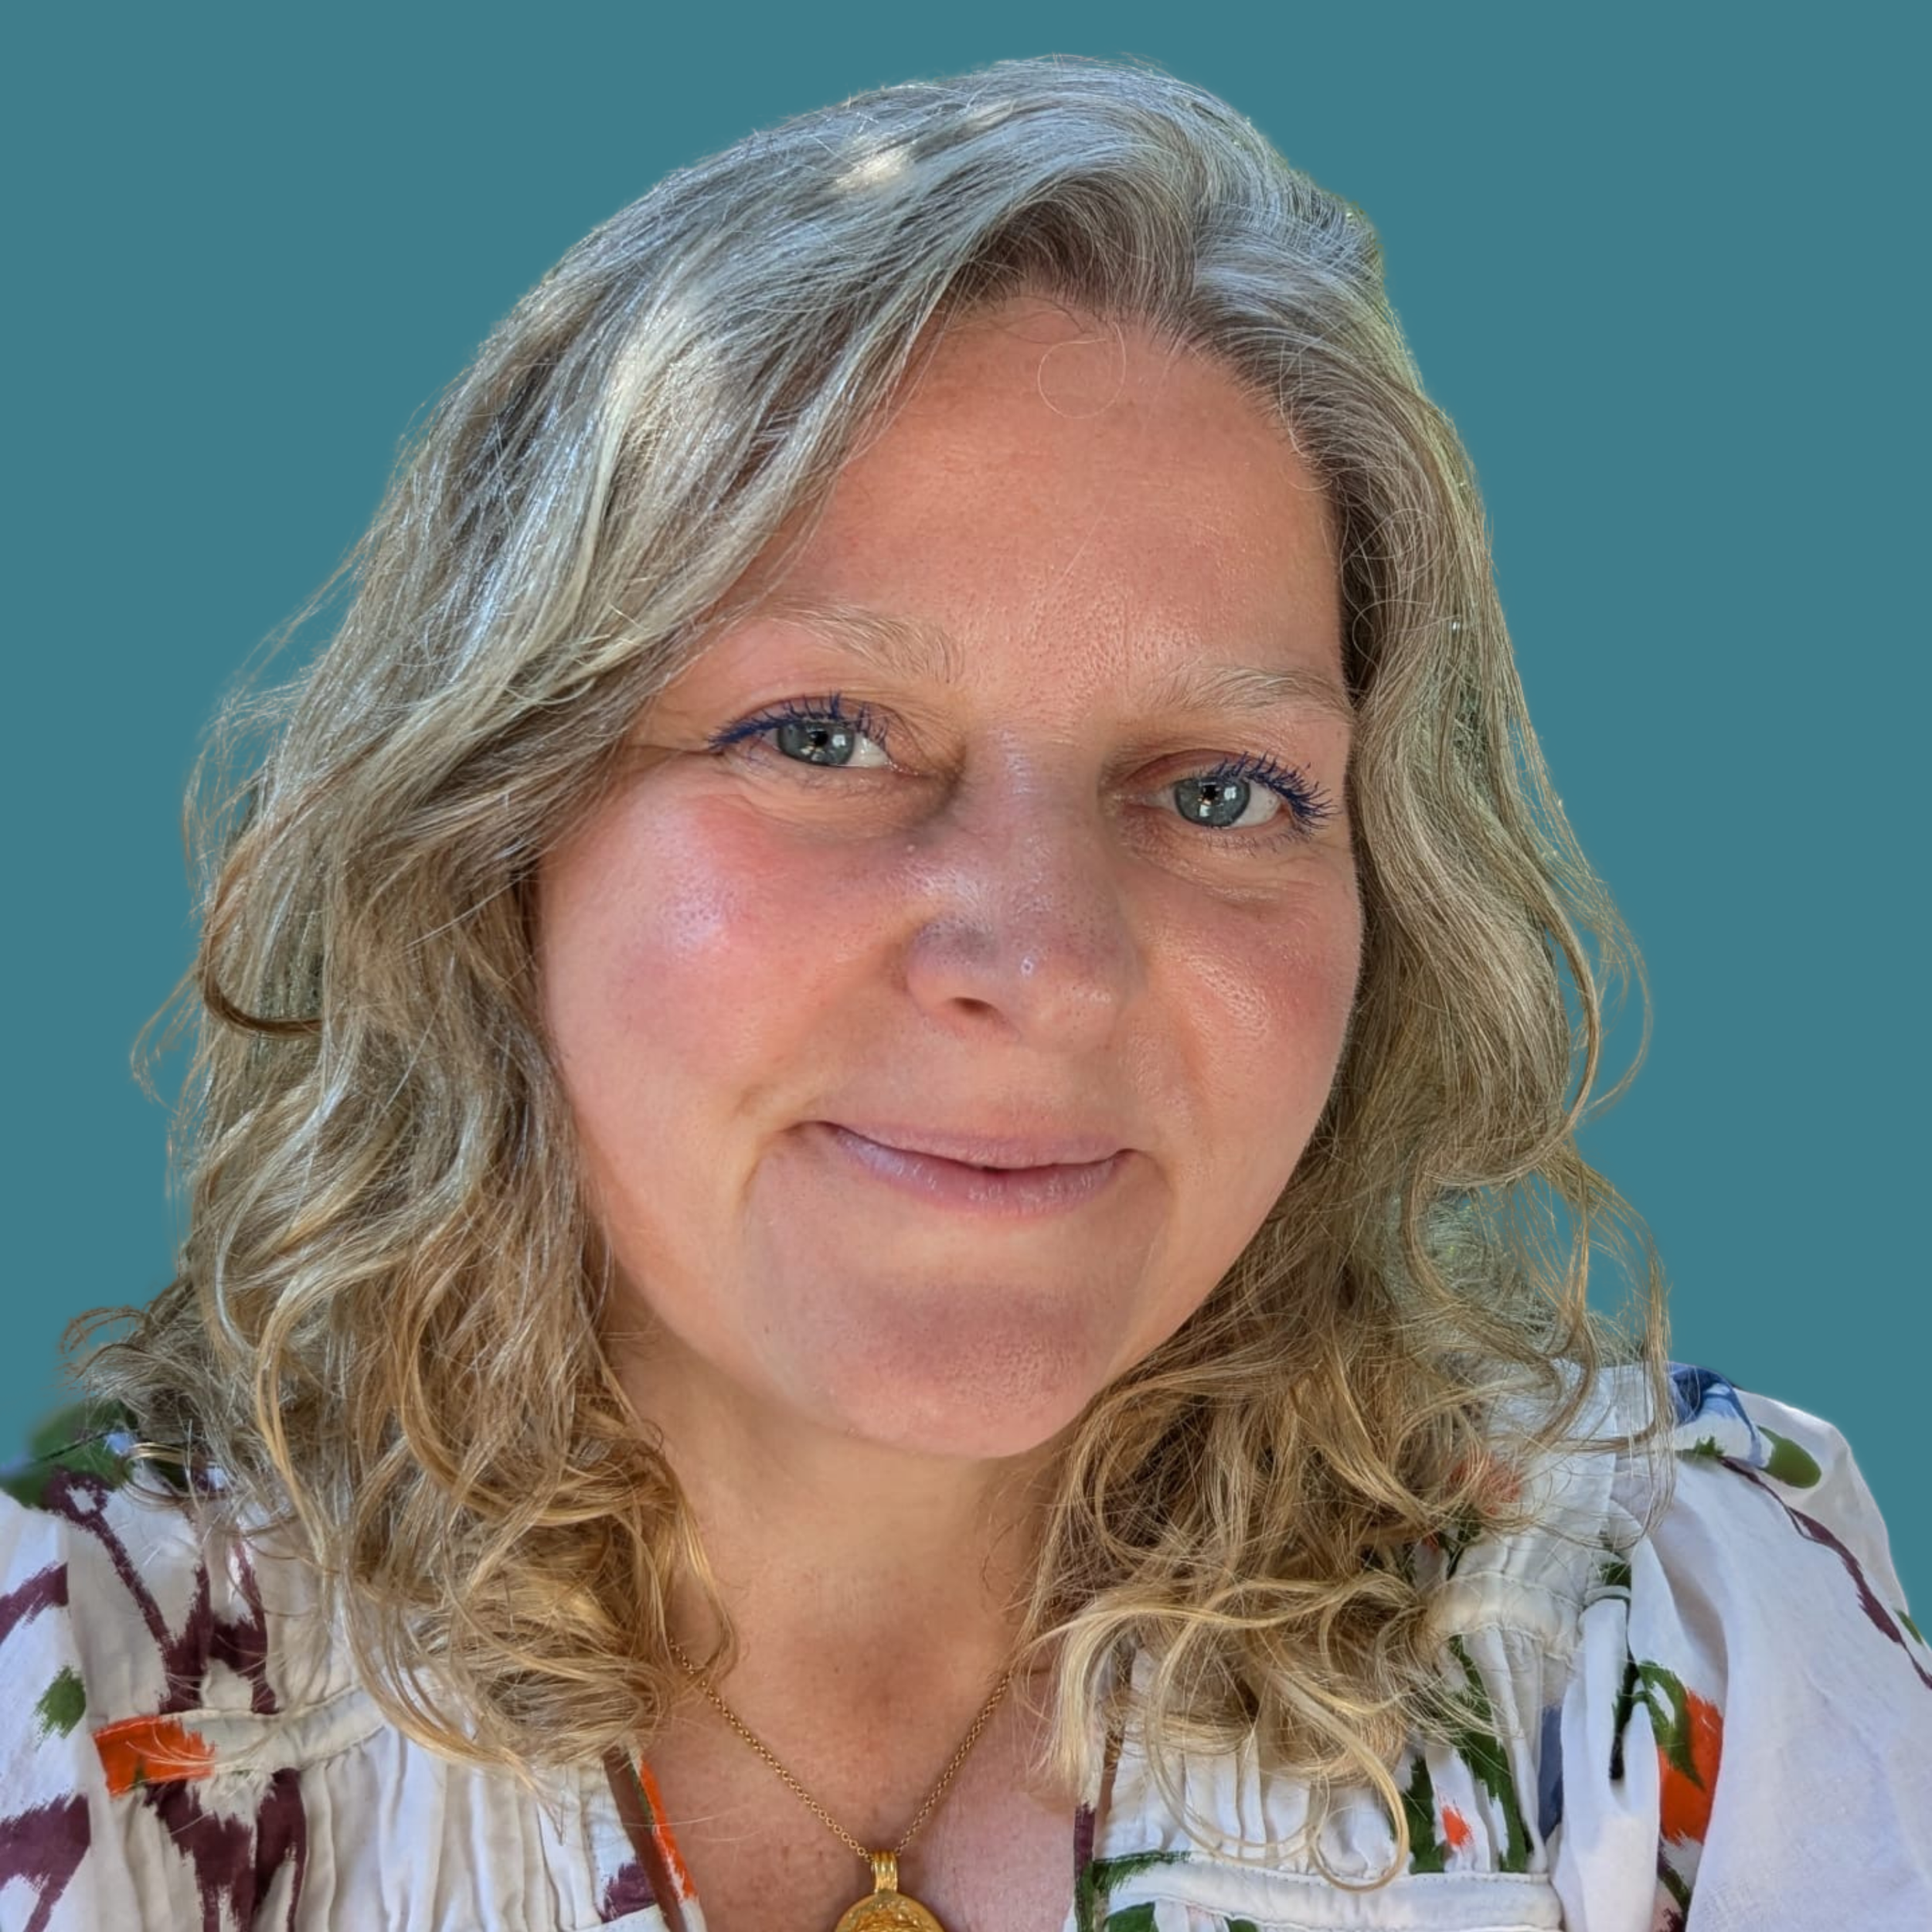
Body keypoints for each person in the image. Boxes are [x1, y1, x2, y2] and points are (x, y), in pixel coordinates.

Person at [1, 54, 1925, 1932]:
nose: (1049, 958)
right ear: (493, 843)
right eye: (824, 735)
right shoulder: (97, 1718)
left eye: (1225, 788)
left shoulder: (1669, 1645)